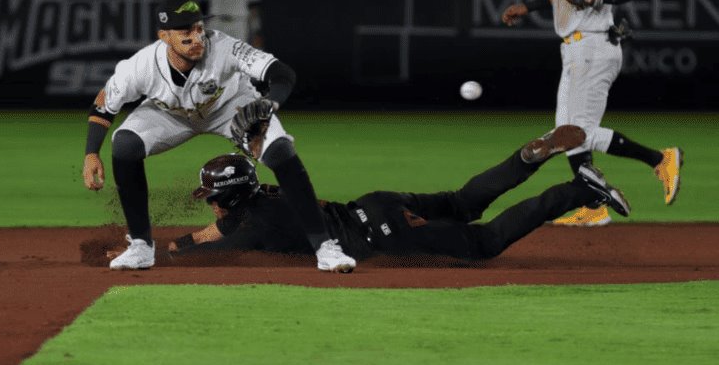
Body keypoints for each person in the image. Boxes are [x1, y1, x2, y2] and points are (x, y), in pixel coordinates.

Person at [82, 0, 356, 273]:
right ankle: (141, 246)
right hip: (170, 116)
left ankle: (325, 247)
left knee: (280, 151)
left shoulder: (225, 47)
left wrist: (269, 102)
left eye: (199, 28)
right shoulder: (140, 67)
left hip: (231, 108)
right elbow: (103, 106)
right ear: (164, 36)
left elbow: (281, 73)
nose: (197, 37)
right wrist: (92, 152)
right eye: (185, 32)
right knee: (125, 144)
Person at [501, 0, 683, 227]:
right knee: (564, 130)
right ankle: (594, 203)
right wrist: (528, 7)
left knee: (576, 131)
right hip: (574, 47)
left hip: (594, 45)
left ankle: (660, 159)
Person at [168, 126, 631, 261]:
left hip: (380, 234)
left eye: (212, 195)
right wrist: (178, 243)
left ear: (230, 197)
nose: (208, 202)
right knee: (460, 204)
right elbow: (215, 231)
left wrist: (171, 259)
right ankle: (525, 159)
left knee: (484, 244)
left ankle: (577, 189)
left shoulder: (257, 225)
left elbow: (220, 248)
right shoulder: (264, 194)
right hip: (373, 203)